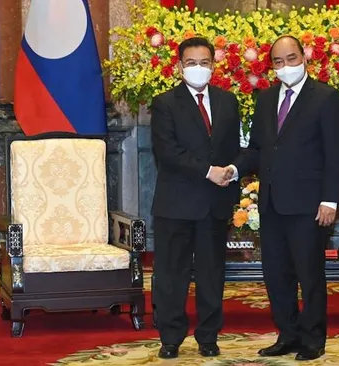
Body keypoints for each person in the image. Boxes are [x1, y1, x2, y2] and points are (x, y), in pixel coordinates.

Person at [233, 35, 339, 361]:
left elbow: (334, 154)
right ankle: (288, 334)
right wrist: (232, 168)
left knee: (309, 275)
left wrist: (330, 200)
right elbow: (257, 148)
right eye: (278, 62)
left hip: (310, 205)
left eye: (291, 58)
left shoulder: (325, 97)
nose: (286, 67)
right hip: (271, 203)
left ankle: (313, 340)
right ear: (272, 67)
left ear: (305, 58)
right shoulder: (266, 99)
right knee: (276, 274)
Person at [150, 37, 241, 359]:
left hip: (215, 205)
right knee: (171, 275)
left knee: (211, 274)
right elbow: (167, 152)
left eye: (204, 63)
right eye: (191, 63)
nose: (198, 69)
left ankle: (208, 337)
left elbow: (234, 149)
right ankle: (170, 337)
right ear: (179, 67)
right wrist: (207, 172)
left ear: (213, 66)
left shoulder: (228, 101)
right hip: (176, 204)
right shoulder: (165, 103)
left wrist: (231, 169)